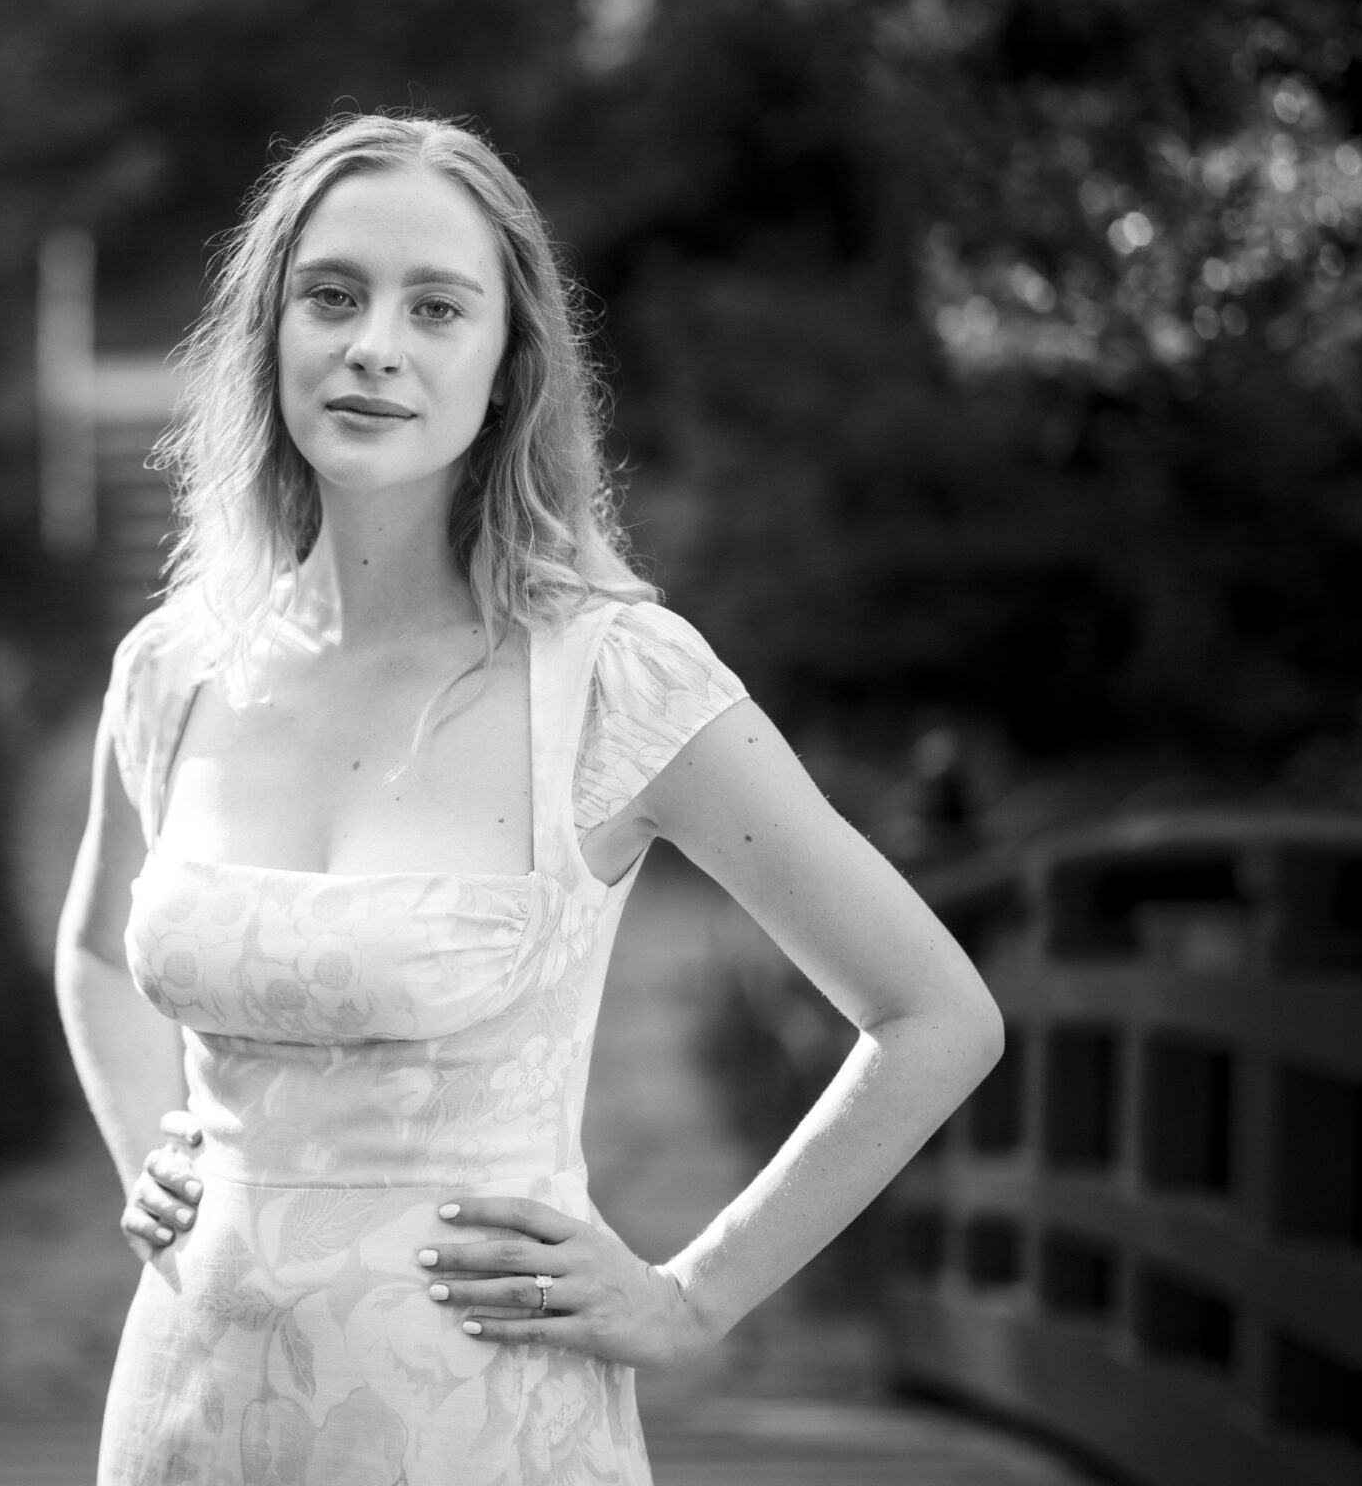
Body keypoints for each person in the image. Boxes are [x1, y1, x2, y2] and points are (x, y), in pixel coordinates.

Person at [55, 112, 1004, 1485]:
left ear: (507, 368)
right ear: (269, 334)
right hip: (183, 1415)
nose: (373, 341)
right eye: (329, 295)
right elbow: (95, 952)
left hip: (473, 1427)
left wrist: (689, 1298)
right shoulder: (174, 667)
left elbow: (934, 1016)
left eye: (436, 307)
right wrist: (144, 1150)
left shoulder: (613, 680)